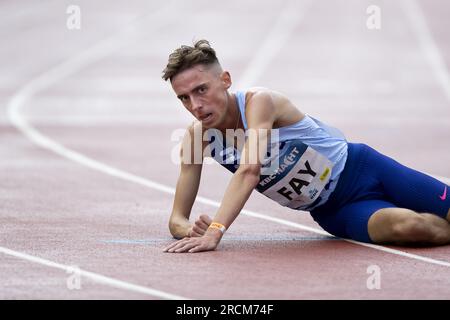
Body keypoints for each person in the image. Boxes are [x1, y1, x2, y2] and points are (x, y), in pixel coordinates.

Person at [161, 39, 450, 253]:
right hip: (334, 211)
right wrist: (190, 229)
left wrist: (215, 231)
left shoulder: (258, 102)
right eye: (184, 98)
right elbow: (176, 219)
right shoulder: (197, 138)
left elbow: (249, 171)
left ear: (225, 80)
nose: (195, 105)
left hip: (364, 169)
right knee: (412, 228)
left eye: (201, 90)